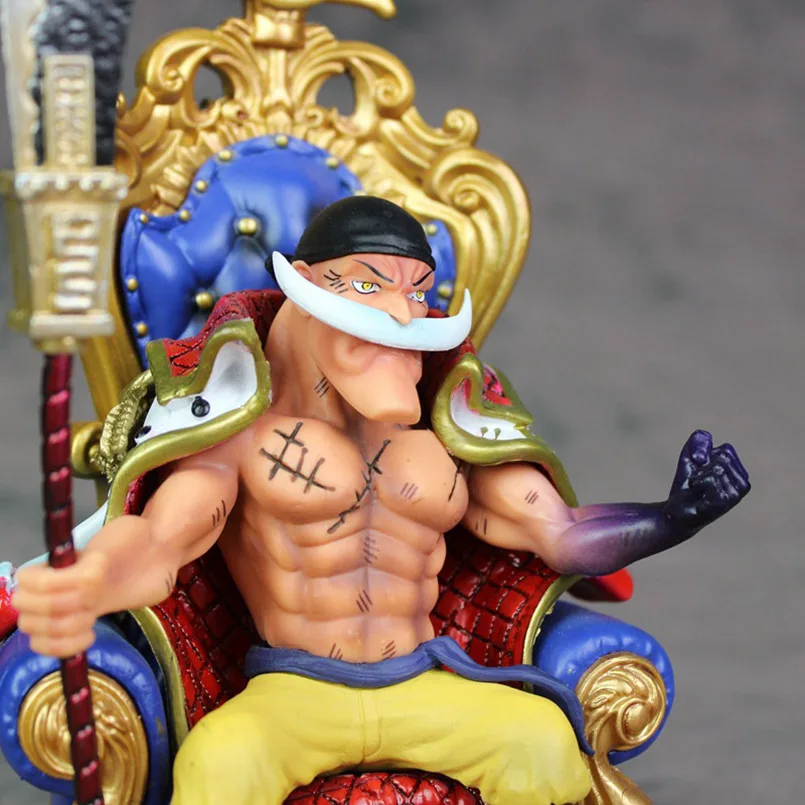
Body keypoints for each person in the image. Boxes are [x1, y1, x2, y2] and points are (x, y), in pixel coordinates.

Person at [12, 196, 750, 805]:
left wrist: (670, 518)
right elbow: (157, 544)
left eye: (417, 292)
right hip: (296, 696)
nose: (401, 314)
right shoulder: (238, 440)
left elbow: (559, 534)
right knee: (219, 765)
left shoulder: (447, 438)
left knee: (542, 744)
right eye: (369, 287)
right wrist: (86, 582)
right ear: (305, 286)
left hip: (422, 686)